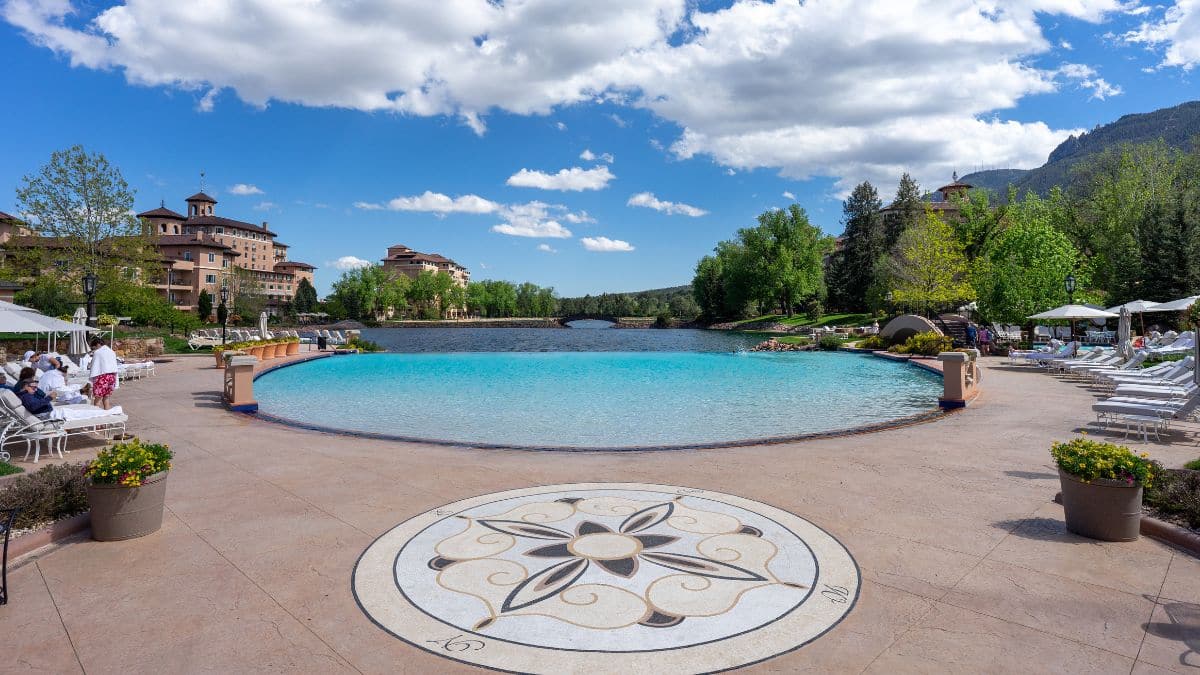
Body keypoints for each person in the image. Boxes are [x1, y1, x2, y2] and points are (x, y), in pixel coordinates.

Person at [88, 337, 119, 410]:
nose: (94, 350)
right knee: (106, 398)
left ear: (98, 344)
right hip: (112, 377)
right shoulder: (111, 351)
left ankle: (96, 415)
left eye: (94, 347)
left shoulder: (98, 352)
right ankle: (107, 413)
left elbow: (94, 367)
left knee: (97, 398)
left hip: (102, 378)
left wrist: (91, 381)